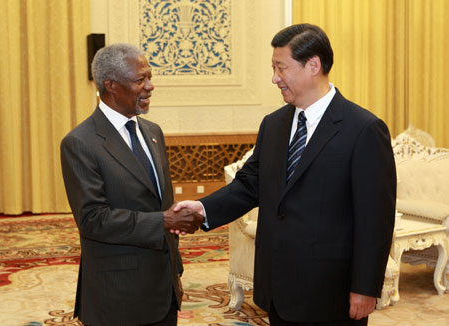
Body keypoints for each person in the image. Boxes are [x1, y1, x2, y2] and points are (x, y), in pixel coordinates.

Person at [175, 24, 396, 326]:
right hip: (278, 287)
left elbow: (376, 220)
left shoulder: (363, 130)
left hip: (331, 292)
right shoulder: (274, 124)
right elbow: (250, 184)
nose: (274, 78)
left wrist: (365, 287)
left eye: (281, 68)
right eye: (273, 68)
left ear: (313, 65)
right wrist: (202, 209)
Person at [60, 43, 204, 326]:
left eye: (149, 77)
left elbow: (158, 201)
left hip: (163, 289)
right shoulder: (80, 143)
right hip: (117, 295)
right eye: (140, 80)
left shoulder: (152, 132)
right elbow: (92, 220)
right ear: (111, 85)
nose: (150, 86)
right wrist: (163, 220)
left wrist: (174, 272)